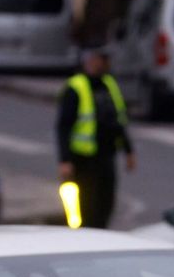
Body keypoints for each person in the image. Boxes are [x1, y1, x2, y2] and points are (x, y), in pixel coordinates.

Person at [56, 48, 135, 229]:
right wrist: (64, 160)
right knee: (86, 205)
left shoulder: (109, 84)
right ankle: (82, 235)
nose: (102, 63)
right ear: (88, 61)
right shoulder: (76, 87)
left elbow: (118, 121)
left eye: (104, 60)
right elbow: (63, 126)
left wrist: (128, 150)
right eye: (99, 59)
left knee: (105, 202)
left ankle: (100, 233)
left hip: (106, 155)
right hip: (83, 158)